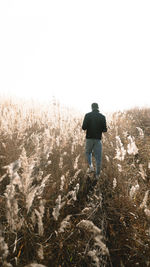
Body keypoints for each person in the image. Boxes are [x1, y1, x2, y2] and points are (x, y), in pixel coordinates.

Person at [82, 103, 107, 179]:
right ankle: (97, 175)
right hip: (98, 139)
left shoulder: (87, 115)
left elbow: (83, 127)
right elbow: (105, 130)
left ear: (91, 108)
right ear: (98, 108)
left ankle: (91, 166)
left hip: (89, 138)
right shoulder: (102, 117)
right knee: (98, 157)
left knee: (88, 152)